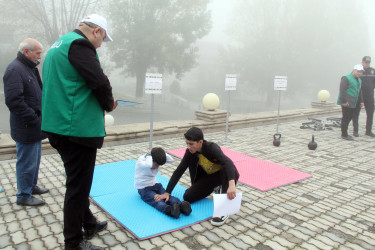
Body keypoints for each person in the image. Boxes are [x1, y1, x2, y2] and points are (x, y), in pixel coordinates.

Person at [41, 14, 117, 250]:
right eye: (103, 38)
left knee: (77, 180)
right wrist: (108, 103)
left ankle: (89, 222)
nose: (101, 45)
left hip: (57, 125)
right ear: (96, 31)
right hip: (76, 129)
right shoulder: (80, 45)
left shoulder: (59, 44)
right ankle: (73, 242)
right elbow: (99, 80)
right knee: (78, 187)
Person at [155, 127, 240, 226]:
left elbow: (228, 163)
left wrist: (231, 184)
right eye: (187, 143)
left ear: (200, 142)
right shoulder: (190, 153)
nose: (189, 147)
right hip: (211, 178)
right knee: (188, 197)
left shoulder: (211, 148)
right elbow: (179, 171)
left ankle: (224, 210)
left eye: (191, 144)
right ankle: (217, 187)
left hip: (227, 175)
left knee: (225, 168)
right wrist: (167, 192)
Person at [3, 38, 49, 207]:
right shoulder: (14, 70)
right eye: (37, 53)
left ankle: (31, 186)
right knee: (26, 162)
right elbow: (14, 101)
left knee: (34, 160)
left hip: (35, 125)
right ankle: (23, 195)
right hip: (26, 126)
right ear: (26, 52)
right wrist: (34, 118)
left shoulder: (29, 68)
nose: (40, 56)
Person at [135, 147, 192, 218]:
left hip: (156, 185)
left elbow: (171, 160)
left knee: (167, 196)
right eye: (156, 164)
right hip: (144, 189)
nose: (157, 167)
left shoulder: (155, 159)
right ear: (151, 159)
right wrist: (150, 154)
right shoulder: (142, 161)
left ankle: (181, 206)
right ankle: (170, 210)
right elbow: (149, 164)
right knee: (158, 200)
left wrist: (160, 153)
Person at [337, 64, 364, 140]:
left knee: (351, 117)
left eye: (361, 72)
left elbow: (359, 91)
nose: (360, 73)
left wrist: (361, 101)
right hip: (347, 102)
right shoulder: (346, 78)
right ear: (354, 70)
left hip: (354, 102)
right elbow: (342, 90)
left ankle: (345, 132)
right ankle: (344, 134)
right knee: (346, 117)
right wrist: (344, 101)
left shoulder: (359, 80)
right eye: (358, 71)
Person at [358, 56, 375, 137]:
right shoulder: (359, 70)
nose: (367, 64)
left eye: (368, 62)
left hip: (370, 96)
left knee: (370, 113)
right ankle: (355, 131)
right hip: (360, 94)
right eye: (366, 62)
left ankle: (368, 131)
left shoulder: (373, 71)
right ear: (362, 62)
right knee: (355, 113)